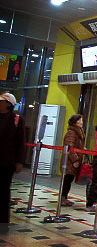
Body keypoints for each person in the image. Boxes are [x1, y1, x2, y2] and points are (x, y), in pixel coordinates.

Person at [0, 93, 25, 233]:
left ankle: (3, 224)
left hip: (7, 161)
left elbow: (20, 141)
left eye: (2, 101)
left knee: (3, 192)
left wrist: (19, 161)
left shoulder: (16, 120)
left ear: (8, 104)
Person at [60, 114, 85, 207]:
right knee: (67, 180)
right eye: (80, 120)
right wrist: (75, 160)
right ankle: (63, 198)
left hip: (72, 160)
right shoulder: (72, 132)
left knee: (68, 180)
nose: (81, 122)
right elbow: (69, 146)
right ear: (75, 122)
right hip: (70, 161)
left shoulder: (78, 132)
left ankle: (64, 198)